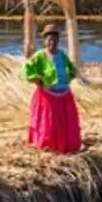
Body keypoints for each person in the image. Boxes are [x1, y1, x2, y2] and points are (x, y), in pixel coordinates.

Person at [21, 24, 82, 154]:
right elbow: (27, 68)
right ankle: (48, 146)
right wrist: (38, 80)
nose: (52, 42)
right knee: (49, 122)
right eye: (49, 39)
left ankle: (65, 146)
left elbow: (72, 69)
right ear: (44, 41)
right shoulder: (40, 56)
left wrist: (68, 78)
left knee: (65, 123)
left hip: (63, 94)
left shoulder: (62, 55)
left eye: (55, 39)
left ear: (58, 41)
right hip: (47, 96)